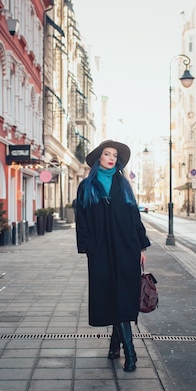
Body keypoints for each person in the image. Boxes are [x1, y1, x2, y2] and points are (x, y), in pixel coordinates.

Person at [75, 140, 151, 372]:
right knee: (110, 297)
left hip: (126, 250)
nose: (111, 158)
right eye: (107, 154)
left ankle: (129, 352)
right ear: (99, 157)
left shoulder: (124, 185)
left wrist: (140, 248)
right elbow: (82, 220)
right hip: (101, 253)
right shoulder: (87, 186)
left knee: (124, 299)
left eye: (115, 155)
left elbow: (134, 218)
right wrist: (89, 248)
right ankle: (116, 346)